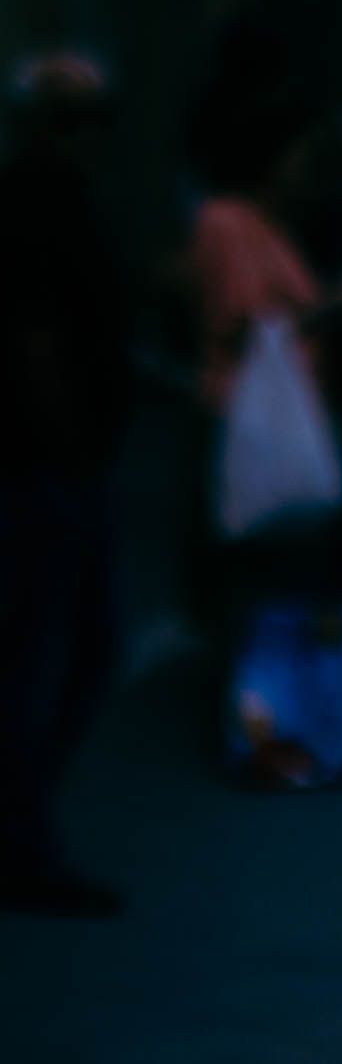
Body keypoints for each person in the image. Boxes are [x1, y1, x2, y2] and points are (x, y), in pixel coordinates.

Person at [0, 53, 130, 916]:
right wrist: (66, 439)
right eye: (78, 118)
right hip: (44, 461)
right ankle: (22, 844)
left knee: (66, 652)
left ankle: (23, 832)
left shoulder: (58, 200)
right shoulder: (36, 205)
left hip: (56, 454)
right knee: (51, 655)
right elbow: (38, 335)